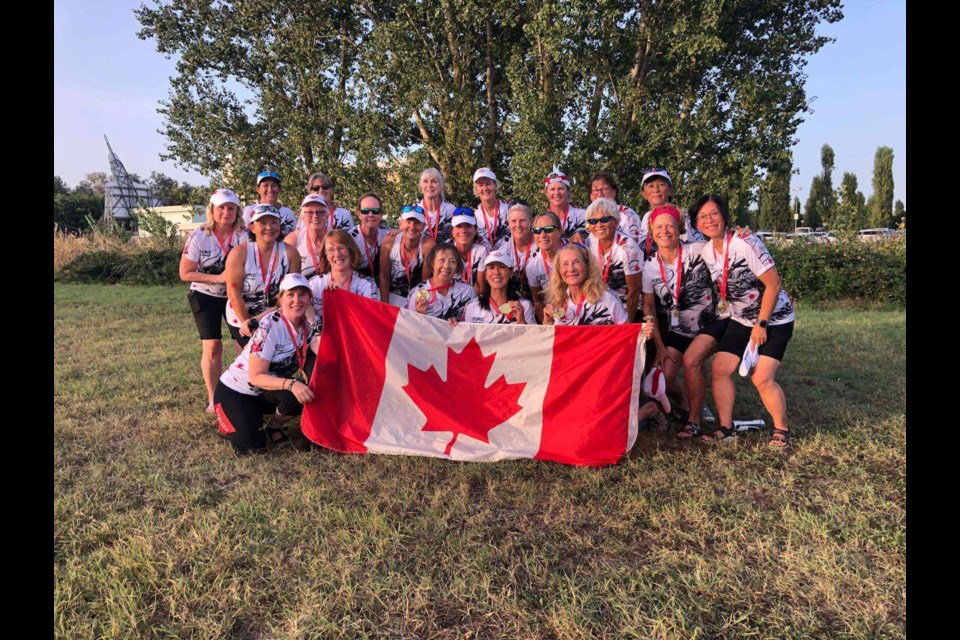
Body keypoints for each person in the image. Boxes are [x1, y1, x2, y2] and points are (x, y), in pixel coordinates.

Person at [693, 194, 796, 448]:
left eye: (714, 213)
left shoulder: (745, 242)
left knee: (761, 378)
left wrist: (761, 324)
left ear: (724, 215)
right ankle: (726, 429)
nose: (709, 220)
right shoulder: (707, 251)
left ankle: (782, 430)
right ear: (697, 225)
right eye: (702, 217)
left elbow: (773, 284)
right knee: (720, 369)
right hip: (741, 319)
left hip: (774, 319)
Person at [640, 205, 725, 439]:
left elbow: (726, 249)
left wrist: (740, 233)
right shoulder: (649, 266)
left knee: (691, 361)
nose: (664, 231)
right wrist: (658, 345)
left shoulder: (698, 250)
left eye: (670, 225)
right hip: (679, 328)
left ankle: (694, 420)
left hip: (711, 322)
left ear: (679, 229)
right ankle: (685, 404)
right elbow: (648, 307)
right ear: (651, 231)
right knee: (663, 378)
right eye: (659, 227)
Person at [213, 273, 317, 454]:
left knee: (304, 393)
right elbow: (255, 376)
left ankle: (274, 425)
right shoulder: (270, 326)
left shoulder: (306, 324)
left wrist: (314, 321)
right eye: (290, 295)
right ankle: (232, 416)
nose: (297, 300)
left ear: (310, 298)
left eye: (302, 294)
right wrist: (292, 383)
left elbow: (322, 351)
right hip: (236, 390)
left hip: (264, 391)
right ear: (281, 299)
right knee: (253, 448)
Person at [179, 188, 248, 412]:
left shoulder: (244, 234)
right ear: (212, 210)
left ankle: (246, 391)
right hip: (205, 295)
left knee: (244, 344)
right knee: (213, 347)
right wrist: (218, 278)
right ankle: (213, 399)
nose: (226, 212)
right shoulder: (199, 234)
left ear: (237, 211)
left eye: (231, 208)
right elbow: (185, 273)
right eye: (221, 207)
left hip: (234, 295)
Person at [225, 204, 302, 346]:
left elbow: (292, 293)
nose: (269, 227)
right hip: (241, 315)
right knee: (253, 360)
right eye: (263, 223)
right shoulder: (239, 253)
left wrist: (264, 318)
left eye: (274, 222)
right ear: (252, 227)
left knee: (273, 360)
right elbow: (233, 293)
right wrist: (247, 323)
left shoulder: (291, 254)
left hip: (274, 314)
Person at [306, 229, 380, 336]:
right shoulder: (314, 284)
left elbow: (369, 323)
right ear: (326, 255)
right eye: (331, 250)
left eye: (341, 248)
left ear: (351, 251)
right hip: (320, 343)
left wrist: (345, 295)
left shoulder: (367, 285)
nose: (337, 254)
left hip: (354, 340)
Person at [542, 244, 632, 327]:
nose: (571, 269)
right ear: (559, 270)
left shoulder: (607, 298)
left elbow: (628, 333)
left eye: (577, 262)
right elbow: (555, 337)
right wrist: (548, 322)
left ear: (587, 266)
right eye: (565, 264)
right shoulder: (558, 301)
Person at [583, 197, 643, 320]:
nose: (599, 225)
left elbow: (634, 290)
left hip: (627, 306)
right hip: (602, 304)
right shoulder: (590, 240)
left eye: (604, 219)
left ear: (615, 222)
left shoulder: (628, 248)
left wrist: (627, 323)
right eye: (593, 221)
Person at [636, 167, 704, 258]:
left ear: (670, 189)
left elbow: (700, 245)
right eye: (650, 186)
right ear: (643, 193)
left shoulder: (683, 215)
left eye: (661, 184)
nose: (656, 190)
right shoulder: (646, 217)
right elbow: (642, 249)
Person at [379, 205, 436, 306]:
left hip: (415, 296)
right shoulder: (389, 241)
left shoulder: (428, 245)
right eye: (408, 222)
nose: (412, 227)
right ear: (400, 223)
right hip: (392, 293)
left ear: (423, 226)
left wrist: (420, 308)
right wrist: (385, 305)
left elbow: (426, 281)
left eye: (417, 223)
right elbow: (384, 276)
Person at [407, 243, 478, 321]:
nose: (446, 266)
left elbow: (472, 324)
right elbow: (410, 326)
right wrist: (421, 316)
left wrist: (459, 323)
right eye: (441, 260)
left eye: (452, 261)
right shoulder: (417, 293)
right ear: (432, 263)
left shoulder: (468, 292)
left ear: (457, 267)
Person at [464, 250, 535, 324]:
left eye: (502, 267)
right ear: (485, 274)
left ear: (511, 272)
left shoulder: (524, 305)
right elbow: (465, 334)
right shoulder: (472, 306)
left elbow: (533, 335)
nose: (496, 272)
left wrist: (521, 322)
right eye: (491, 268)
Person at [525, 211, 567, 322]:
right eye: (537, 231)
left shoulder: (576, 252)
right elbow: (538, 300)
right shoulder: (532, 265)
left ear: (559, 231)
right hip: (554, 317)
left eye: (548, 229)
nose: (542, 235)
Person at [494, 203, 537, 302]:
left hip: (540, 301)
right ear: (508, 223)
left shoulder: (540, 243)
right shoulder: (502, 246)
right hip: (511, 302)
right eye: (513, 221)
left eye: (522, 220)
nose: (518, 225)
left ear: (531, 222)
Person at [348, 191, 393, 282]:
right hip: (358, 286)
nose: (371, 215)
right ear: (359, 214)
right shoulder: (349, 239)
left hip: (384, 284)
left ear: (381, 214)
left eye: (375, 211)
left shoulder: (389, 234)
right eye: (365, 211)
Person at [589, 170, 642, 245]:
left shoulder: (627, 215)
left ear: (614, 192)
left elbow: (632, 247)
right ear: (591, 195)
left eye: (605, 189)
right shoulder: (588, 218)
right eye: (595, 190)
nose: (599, 194)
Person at [241, 171, 299, 240]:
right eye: (265, 185)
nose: (270, 189)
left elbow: (295, 238)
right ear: (258, 189)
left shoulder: (288, 213)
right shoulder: (249, 210)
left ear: (279, 188)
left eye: (274, 185)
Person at [283, 194, 328, 278]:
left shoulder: (337, 238)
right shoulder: (293, 239)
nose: (315, 216)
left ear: (327, 216)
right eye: (309, 212)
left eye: (320, 212)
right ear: (303, 217)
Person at [449, 207, 488, 295]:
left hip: (473, 298)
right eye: (459, 226)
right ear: (452, 231)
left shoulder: (481, 251)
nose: (463, 230)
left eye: (468, 226)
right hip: (449, 298)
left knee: (507, 308)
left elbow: (480, 287)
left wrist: (471, 304)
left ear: (475, 231)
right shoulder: (445, 251)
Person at [472, 167, 510, 249]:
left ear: (495, 185)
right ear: (476, 189)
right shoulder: (473, 216)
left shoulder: (509, 208)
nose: (485, 188)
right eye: (481, 185)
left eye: (488, 184)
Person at [543, 166, 586, 239]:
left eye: (560, 188)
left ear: (568, 191)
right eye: (552, 189)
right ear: (546, 193)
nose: (556, 193)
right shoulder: (542, 220)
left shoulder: (582, 216)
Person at [417, 167, 456, 244]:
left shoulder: (450, 210)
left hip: (446, 254)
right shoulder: (415, 211)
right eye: (425, 181)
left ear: (441, 186)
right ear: (421, 187)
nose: (429, 185)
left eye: (434, 181)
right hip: (422, 255)